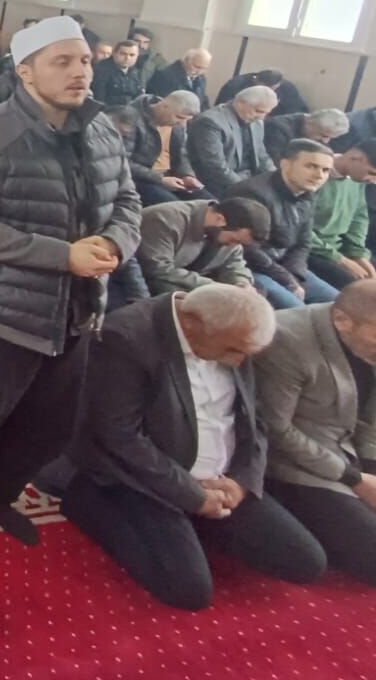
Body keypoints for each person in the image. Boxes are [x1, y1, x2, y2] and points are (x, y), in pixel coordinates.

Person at [0, 15, 141, 558]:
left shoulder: (103, 128)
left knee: (50, 426)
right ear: (26, 71)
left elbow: (129, 204)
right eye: (62, 62)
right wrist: (62, 256)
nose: (80, 72)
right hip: (1, 312)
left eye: (85, 60)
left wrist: (115, 245)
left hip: (78, 309)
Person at [62, 285, 327, 609]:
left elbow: (255, 419)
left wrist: (243, 481)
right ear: (192, 325)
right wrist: (191, 495)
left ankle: (198, 521)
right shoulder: (126, 338)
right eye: (235, 350)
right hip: (144, 479)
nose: (240, 360)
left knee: (305, 562)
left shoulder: (234, 334)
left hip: (221, 476)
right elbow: (119, 437)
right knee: (188, 592)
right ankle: (89, 501)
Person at [255, 280, 376, 587]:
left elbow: (370, 415)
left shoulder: (366, 339)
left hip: (350, 446)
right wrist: (355, 479)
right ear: (342, 321)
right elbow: (277, 430)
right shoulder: (288, 340)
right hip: (297, 462)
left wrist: (371, 464)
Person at [230, 139, 341, 308]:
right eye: (311, 166)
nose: (319, 175)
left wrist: (295, 276)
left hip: (284, 267)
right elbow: (247, 248)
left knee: (340, 304)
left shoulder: (307, 194)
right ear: (285, 165)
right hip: (249, 267)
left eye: (325, 170)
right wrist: (287, 279)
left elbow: (303, 243)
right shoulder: (251, 192)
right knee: (297, 311)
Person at [137, 197, 272, 295]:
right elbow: (158, 269)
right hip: (151, 277)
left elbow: (234, 263)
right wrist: (217, 288)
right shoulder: (164, 220)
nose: (234, 246)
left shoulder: (230, 231)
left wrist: (242, 284)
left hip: (195, 279)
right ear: (220, 219)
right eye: (234, 240)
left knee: (257, 291)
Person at [118, 90, 206, 205]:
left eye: (187, 120)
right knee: (176, 209)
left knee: (208, 203)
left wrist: (187, 175)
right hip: (140, 179)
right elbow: (123, 162)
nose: (182, 124)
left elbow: (182, 154)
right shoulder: (131, 118)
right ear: (164, 106)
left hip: (170, 176)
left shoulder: (178, 124)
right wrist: (160, 179)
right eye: (179, 117)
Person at [308, 141, 376, 288]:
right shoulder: (314, 178)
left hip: (340, 249)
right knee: (359, 287)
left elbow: (359, 219)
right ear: (355, 157)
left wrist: (358, 255)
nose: (373, 181)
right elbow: (300, 229)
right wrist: (341, 260)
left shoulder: (357, 182)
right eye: (372, 172)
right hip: (312, 251)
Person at [189, 85, 277, 195]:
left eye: (266, 113)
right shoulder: (210, 121)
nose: (261, 117)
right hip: (220, 183)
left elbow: (262, 156)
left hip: (249, 179)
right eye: (258, 111)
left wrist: (277, 180)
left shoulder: (257, 122)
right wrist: (248, 189)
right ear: (240, 102)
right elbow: (215, 167)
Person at [147, 47, 213, 108]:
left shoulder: (201, 78)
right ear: (186, 61)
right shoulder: (165, 76)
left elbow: (203, 101)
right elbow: (162, 104)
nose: (199, 72)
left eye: (204, 68)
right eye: (197, 67)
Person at [91, 39, 145, 109]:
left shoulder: (135, 72)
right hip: (108, 113)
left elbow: (139, 97)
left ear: (137, 56)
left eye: (132, 55)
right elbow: (98, 100)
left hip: (131, 112)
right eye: (123, 54)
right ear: (114, 53)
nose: (127, 58)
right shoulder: (101, 70)